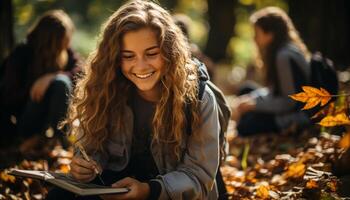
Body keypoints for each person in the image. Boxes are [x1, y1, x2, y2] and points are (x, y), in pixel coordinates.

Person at [47, 1, 220, 200]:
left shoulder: (199, 97)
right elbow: (93, 147)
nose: (141, 66)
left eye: (152, 53)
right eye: (128, 56)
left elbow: (199, 176)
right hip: (116, 188)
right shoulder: (107, 88)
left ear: (170, 51)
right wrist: (86, 164)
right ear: (114, 58)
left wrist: (149, 190)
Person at [0, 10, 80, 148]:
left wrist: (51, 77)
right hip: (26, 121)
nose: (67, 45)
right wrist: (34, 87)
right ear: (52, 39)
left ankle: (58, 139)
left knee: (61, 82)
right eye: (64, 40)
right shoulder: (21, 54)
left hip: (50, 120)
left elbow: (81, 71)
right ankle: (33, 140)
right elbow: (7, 99)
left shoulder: (64, 52)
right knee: (60, 84)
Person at [232, 7, 311, 136]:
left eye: (257, 33)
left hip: (294, 116)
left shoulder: (284, 56)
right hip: (284, 106)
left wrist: (254, 105)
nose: (254, 38)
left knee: (245, 126)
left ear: (270, 34)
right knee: (245, 91)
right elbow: (275, 90)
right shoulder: (285, 49)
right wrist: (251, 99)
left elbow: (289, 102)